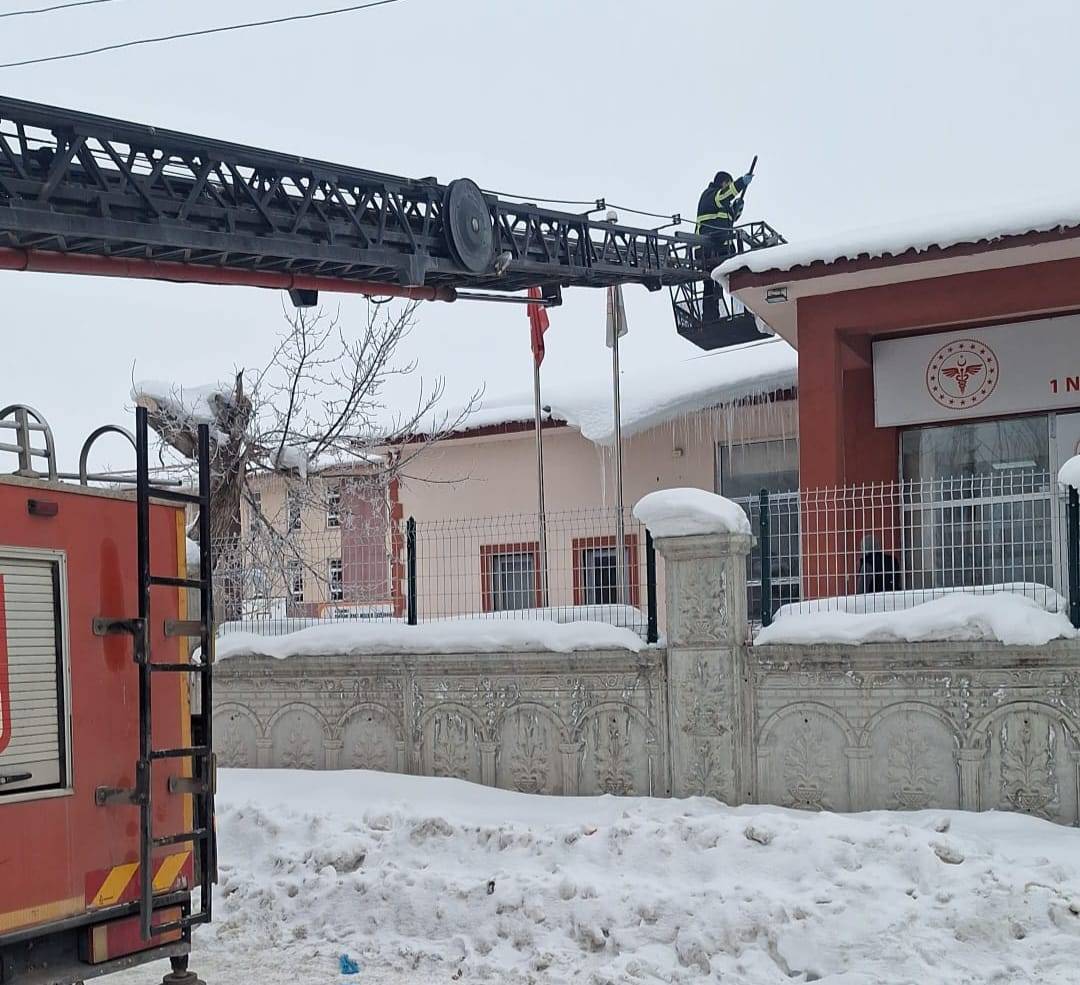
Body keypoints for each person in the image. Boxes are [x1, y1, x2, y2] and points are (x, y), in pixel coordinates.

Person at [696, 170, 753, 322]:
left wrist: (736, 210)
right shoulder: (710, 195)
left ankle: (713, 317)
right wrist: (741, 183)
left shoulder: (721, 203)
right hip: (708, 249)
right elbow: (724, 196)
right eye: (729, 184)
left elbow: (726, 222)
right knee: (712, 283)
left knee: (717, 282)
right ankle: (710, 318)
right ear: (723, 183)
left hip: (719, 249)